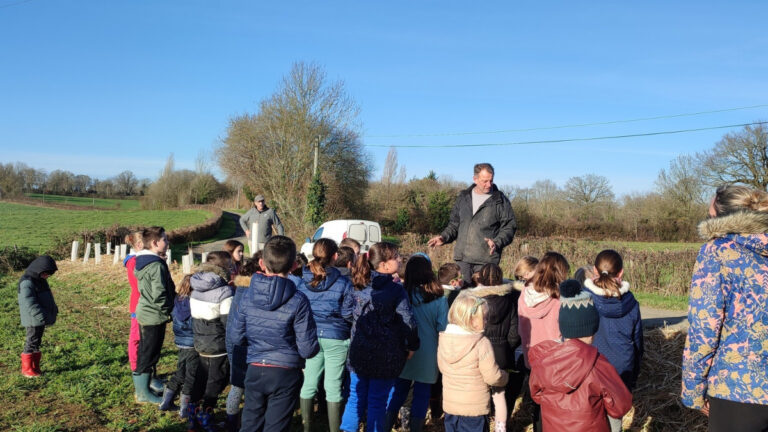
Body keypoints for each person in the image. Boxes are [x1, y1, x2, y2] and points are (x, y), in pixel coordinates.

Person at [682, 185, 768, 431]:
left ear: (722, 219)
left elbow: (703, 329)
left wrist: (693, 391)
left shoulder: (717, 251)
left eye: (710, 216)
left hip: (738, 392)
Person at [226, 236, 319, 432]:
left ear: (261, 263)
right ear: (294, 265)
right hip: (285, 371)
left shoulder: (247, 295)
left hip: (255, 367)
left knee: (250, 425)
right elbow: (308, 348)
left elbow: (236, 337)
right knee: (276, 427)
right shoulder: (299, 300)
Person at [528, 279, 633, 432]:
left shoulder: (544, 360)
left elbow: (536, 395)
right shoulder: (598, 364)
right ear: (593, 328)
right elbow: (621, 405)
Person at [341, 242, 420, 432]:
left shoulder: (358, 283)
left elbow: (345, 312)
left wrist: (361, 323)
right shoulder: (395, 290)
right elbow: (407, 321)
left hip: (359, 350)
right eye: (396, 257)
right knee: (377, 401)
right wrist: (412, 345)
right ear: (384, 265)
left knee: (355, 396)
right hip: (385, 355)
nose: (400, 260)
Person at [296, 239, 355, 432]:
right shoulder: (343, 282)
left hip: (312, 336)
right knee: (333, 386)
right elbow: (347, 313)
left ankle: (306, 427)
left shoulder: (303, 281)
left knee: (309, 383)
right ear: (335, 256)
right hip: (336, 337)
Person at [385, 255, 449, 432]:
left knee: (398, 391)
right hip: (428, 352)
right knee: (422, 395)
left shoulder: (400, 294)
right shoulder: (439, 299)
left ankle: (385, 425)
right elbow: (443, 327)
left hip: (403, 348)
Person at [582, 249, 643, 432]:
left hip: (590, 368)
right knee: (614, 418)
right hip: (621, 369)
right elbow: (638, 342)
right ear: (621, 273)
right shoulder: (632, 304)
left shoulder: (583, 299)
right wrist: (634, 375)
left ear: (594, 270)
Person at [427, 163, 517, 283]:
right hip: (463, 259)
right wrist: (444, 237)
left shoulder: (500, 201)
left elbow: (509, 227)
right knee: (462, 296)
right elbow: (454, 224)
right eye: (485, 181)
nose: (489, 185)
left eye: (491, 180)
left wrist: (497, 242)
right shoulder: (463, 197)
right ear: (475, 179)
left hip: (487, 260)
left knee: (484, 299)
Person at [438, 291, 509, 432]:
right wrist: (504, 377)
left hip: (451, 407)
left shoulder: (445, 339)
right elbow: (492, 377)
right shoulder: (481, 343)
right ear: (471, 319)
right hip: (474, 408)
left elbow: (441, 367)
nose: (487, 321)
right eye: (484, 317)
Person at [517, 252, 568, 431]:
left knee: (537, 404)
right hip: (554, 362)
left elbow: (520, 328)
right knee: (554, 408)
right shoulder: (558, 298)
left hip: (531, 358)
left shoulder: (524, 293)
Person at [468, 263, 521, 432]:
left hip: (478, 352)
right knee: (499, 395)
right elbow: (514, 333)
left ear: (480, 279)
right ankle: (500, 427)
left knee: (480, 394)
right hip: (502, 352)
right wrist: (507, 347)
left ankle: (481, 426)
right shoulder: (509, 301)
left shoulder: (473, 302)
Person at [189, 251, 234, 419]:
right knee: (217, 380)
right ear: (224, 268)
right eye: (230, 265)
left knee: (200, 378)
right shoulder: (224, 291)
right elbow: (227, 323)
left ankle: (192, 414)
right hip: (219, 345)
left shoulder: (196, 286)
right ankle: (207, 412)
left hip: (200, 342)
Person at [133, 226, 175, 404]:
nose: (167, 242)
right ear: (154, 243)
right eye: (164, 239)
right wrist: (168, 310)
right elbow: (159, 293)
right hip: (153, 314)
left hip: (146, 311)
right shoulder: (156, 265)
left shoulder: (143, 261)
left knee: (147, 351)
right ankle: (142, 393)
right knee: (148, 353)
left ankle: (148, 385)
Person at [224, 258, 263, 432]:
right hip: (248, 346)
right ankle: (246, 421)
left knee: (236, 387)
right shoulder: (252, 293)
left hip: (236, 345)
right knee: (250, 389)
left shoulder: (239, 290)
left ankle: (231, 420)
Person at [159, 273, 199, 420]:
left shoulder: (177, 301)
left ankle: (165, 402)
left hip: (180, 342)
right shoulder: (195, 304)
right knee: (191, 376)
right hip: (193, 344)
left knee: (180, 372)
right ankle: (184, 409)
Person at [18, 255, 58, 378]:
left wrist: (53, 309)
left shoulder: (40, 280)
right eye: (46, 274)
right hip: (33, 319)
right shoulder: (27, 282)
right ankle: (27, 369)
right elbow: (30, 303)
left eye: (48, 275)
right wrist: (41, 316)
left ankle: (35, 367)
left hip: (39, 318)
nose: (47, 277)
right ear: (39, 269)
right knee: (31, 341)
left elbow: (48, 296)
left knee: (36, 342)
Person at [124, 231, 144, 375]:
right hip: (138, 304)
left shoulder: (136, 260)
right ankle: (135, 366)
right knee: (136, 337)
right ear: (138, 245)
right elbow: (138, 284)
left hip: (140, 302)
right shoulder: (134, 262)